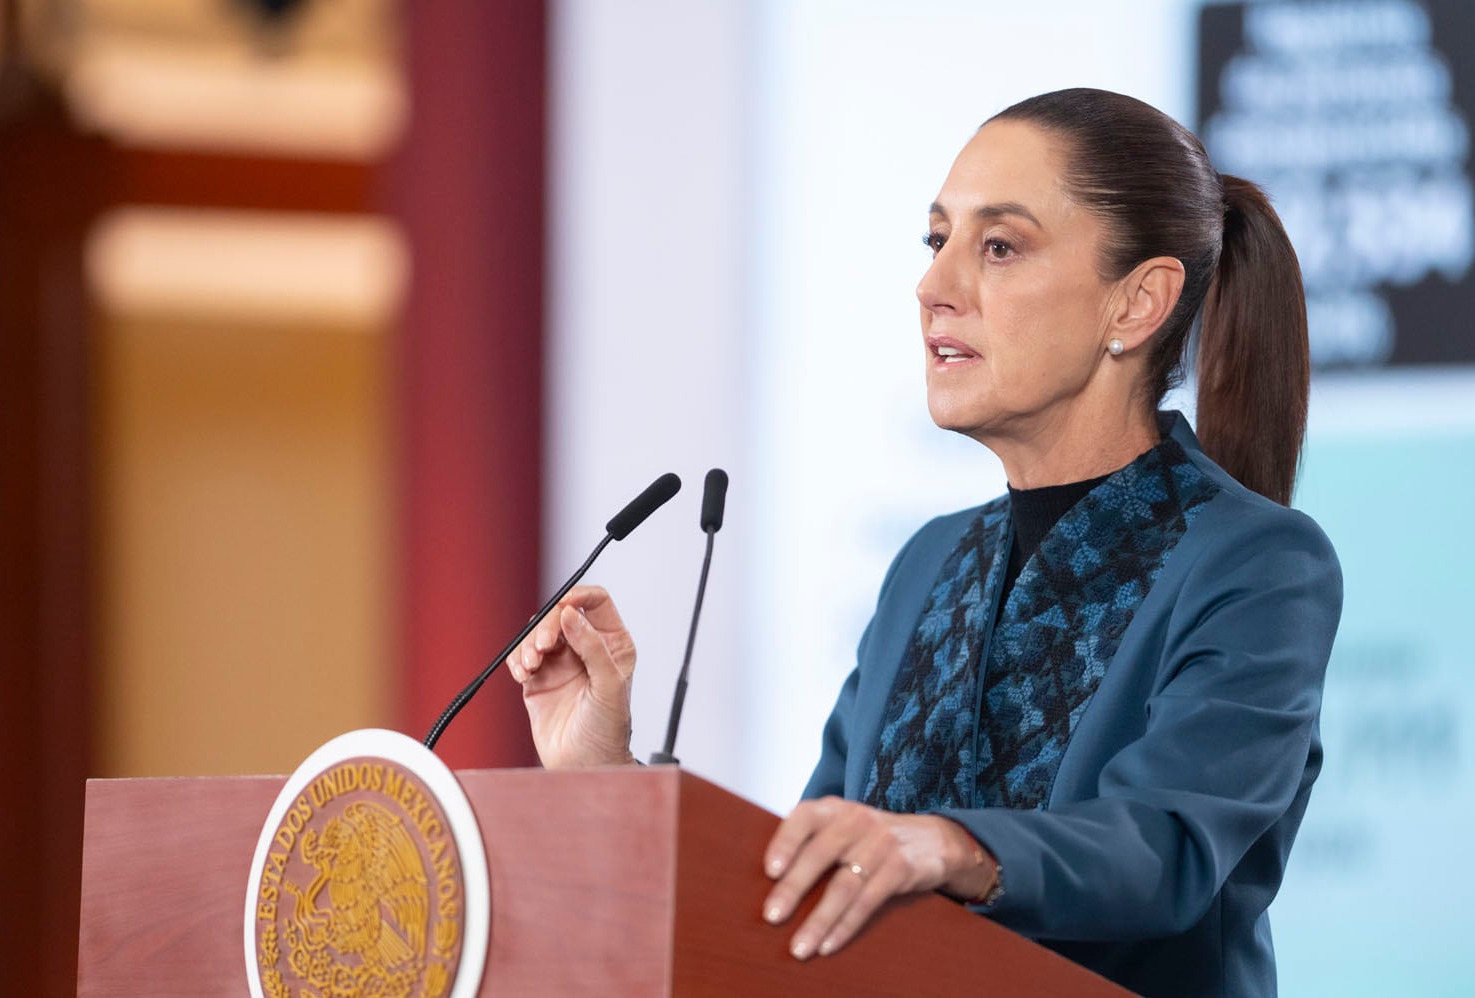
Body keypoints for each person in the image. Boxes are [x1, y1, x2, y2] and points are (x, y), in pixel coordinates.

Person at [506, 88, 1342, 997]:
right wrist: (602, 771)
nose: (934, 286)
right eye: (935, 240)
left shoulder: (1255, 563)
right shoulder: (927, 566)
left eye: (998, 246)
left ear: (1137, 305)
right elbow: (796, 889)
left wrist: (945, 846)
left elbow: (1163, 849)